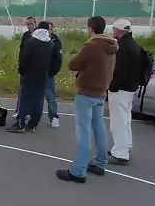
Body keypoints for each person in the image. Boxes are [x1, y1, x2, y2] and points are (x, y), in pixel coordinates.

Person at [56, 16, 118, 183]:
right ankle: (100, 162)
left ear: (90, 29)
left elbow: (73, 64)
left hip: (86, 91)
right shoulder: (111, 47)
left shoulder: (91, 46)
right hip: (101, 92)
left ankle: (78, 170)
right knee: (99, 127)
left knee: (83, 130)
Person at [7, 21, 53, 133]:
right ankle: (33, 124)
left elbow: (24, 59)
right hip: (42, 75)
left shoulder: (31, 42)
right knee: (38, 100)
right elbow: (55, 60)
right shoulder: (50, 43)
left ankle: (20, 123)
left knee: (25, 100)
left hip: (29, 75)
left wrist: (21, 71)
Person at [107, 19, 141, 165]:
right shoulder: (134, 45)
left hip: (120, 89)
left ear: (119, 30)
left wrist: (112, 87)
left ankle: (120, 153)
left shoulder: (122, 47)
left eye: (114, 29)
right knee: (126, 119)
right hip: (130, 88)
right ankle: (124, 147)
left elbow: (119, 70)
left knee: (118, 121)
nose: (112, 32)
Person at [13, 16, 37, 118]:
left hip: (36, 68)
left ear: (35, 24)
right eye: (27, 24)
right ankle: (21, 111)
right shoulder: (25, 35)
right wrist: (21, 65)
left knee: (34, 93)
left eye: (31, 23)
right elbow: (22, 51)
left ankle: (32, 113)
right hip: (26, 67)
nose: (29, 26)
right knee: (22, 91)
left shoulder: (40, 35)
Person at [45, 21, 63, 129]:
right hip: (36, 73)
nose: (47, 31)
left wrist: (53, 71)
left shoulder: (56, 41)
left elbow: (58, 58)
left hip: (49, 73)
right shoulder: (36, 39)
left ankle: (54, 117)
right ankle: (26, 114)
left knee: (51, 96)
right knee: (31, 95)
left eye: (49, 29)